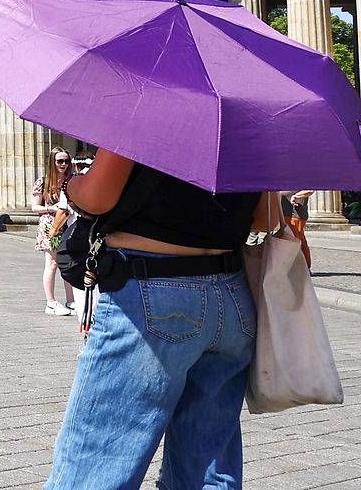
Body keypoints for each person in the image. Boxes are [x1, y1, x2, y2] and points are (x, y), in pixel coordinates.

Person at [45, 155, 270, 488]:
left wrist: (70, 185)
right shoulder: (250, 113)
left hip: (152, 289)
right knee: (207, 470)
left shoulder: (151, 103)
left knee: (94, 467)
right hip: (230, 296)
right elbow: (263, 218)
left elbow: (97, 197)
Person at [33, 148, 79, 316]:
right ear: (52, 162)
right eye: (60, 161)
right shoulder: (44, 181)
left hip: (68, 223)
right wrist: (49, 208)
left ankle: (71, 300)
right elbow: (34, 206)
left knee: (68, 262)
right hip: (50, 225)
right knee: (52, 263)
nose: (63, 164)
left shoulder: (71, 180)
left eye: (66, 161)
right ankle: (50, 302)